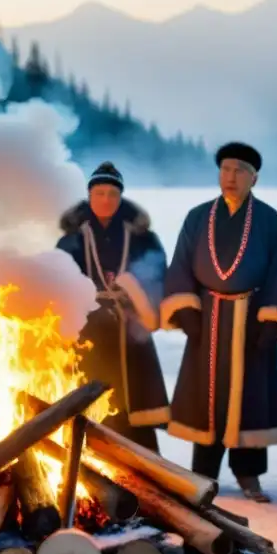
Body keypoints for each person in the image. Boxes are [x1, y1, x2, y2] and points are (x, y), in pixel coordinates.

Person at [160, 142, 277, 502]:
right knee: (204, 397)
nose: (231, 177)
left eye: (239, 170)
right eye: (225, 169)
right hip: (207, 319)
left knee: (251, 398)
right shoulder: (197, 217)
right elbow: (180, 264)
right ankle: (202, 474)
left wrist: (272, 322)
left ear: (254, 177)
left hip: (251, 317)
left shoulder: (272, 222)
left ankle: (249, 475)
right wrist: (186, 311)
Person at [56, 161, 170, 451]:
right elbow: (58, 282)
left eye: (112, 194)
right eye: (100, 193)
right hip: (87, 330)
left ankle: (144, 465)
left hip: (131, 329)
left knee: (135, 404)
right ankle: (89, 461)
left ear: (120, 199)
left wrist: (138, 297)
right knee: (90, 397)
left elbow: (160, 277)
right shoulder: (72, 239)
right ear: (89, 196)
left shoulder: (143, 238)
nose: (106, 200)